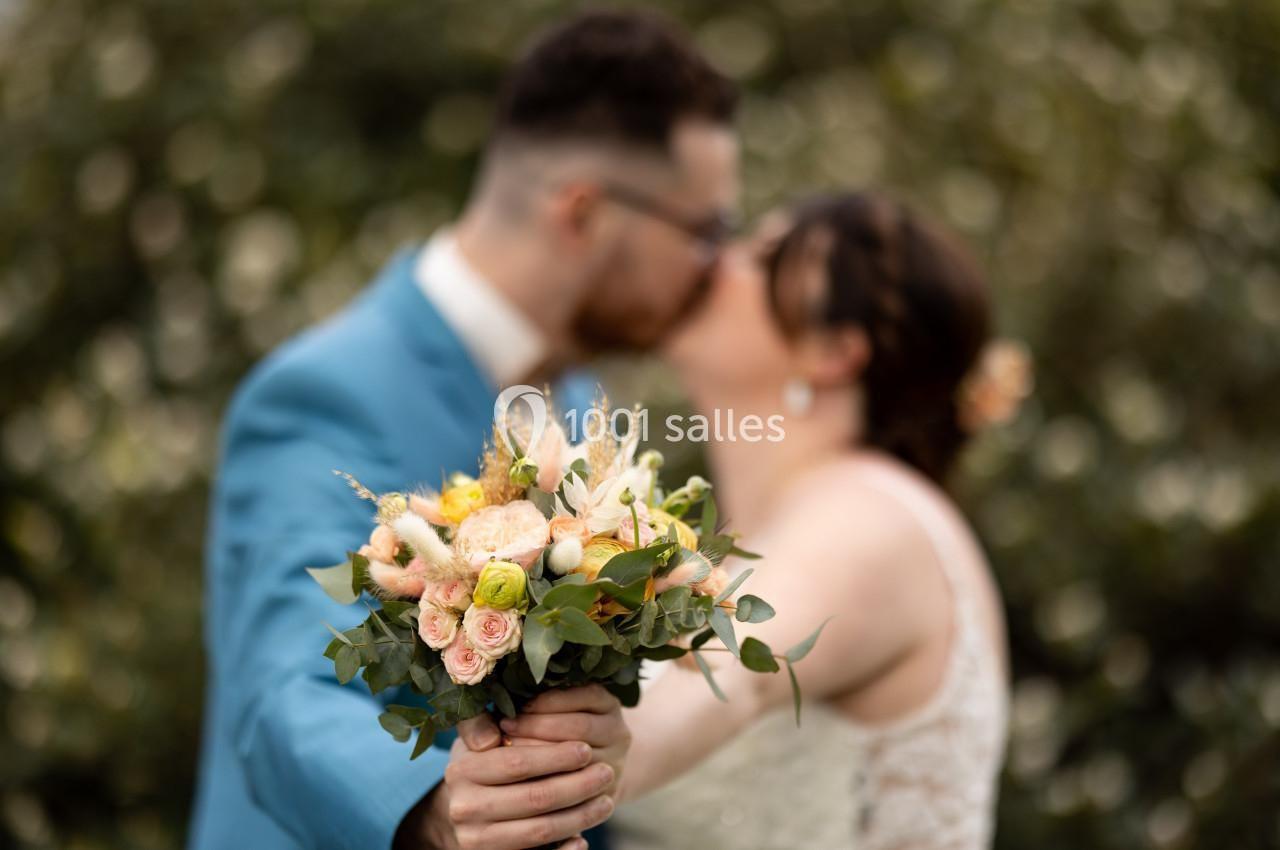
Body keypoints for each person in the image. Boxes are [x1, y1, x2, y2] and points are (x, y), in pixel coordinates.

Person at [188, 10, 740, 850]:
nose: (718, 269)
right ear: (585, 213)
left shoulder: (580, 399)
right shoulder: (322, 392)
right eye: (704, 231)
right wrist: (437, 815)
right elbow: (283, 693)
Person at [501, 193, 1018, 849]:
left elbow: (734, 676)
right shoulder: (744, 535)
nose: (716, 261)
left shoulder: (875, 519)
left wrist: (567, 771)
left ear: (832, 351)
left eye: (765, 258)